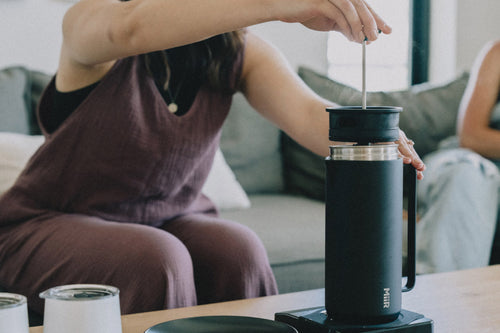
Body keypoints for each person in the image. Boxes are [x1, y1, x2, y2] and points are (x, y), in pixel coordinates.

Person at [0, 0, 424, 316]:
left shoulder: (237, 52)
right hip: (43, 225)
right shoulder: (91, 20)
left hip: (165, 219)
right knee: (154, 258)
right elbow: (129, 29)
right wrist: (277, 5)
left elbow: (308, 114)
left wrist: (381, 140)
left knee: (237, 249)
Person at [415, 40, 500, 274]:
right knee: (468, 175)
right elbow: (472, 137)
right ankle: (441, 302)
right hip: (469, 161)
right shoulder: (497, 53)